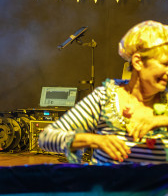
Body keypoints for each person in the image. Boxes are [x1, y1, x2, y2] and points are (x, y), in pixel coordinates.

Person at [39, 20, 168, 164]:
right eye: (165, 64)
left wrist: (161, 121)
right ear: (138, 62)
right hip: (109, 179)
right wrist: (95, 140)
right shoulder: (106, 97)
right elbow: (47, 138)